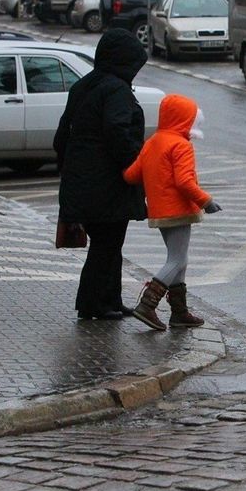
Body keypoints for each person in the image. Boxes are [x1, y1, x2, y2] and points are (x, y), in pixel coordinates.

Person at [54, 28, 148, 321]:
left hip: (82, 181)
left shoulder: (83, 86)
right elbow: (118, 133)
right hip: (107, 184)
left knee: (109, 244)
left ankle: (111, 300)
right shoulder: (116, 90)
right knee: (107, 245)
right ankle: (93, 304)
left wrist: (71, 168)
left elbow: (61, 137)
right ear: (124, 61)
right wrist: (135, 166)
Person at [122, 94, 222, 331]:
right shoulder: (181, 145)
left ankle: (179, 312)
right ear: (185, 120)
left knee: (179, 259)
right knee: (177, 260)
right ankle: (148, 305)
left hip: (159, 210)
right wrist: (207, 201)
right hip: (178, 210)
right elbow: (184, 182)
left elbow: (131, 175)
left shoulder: (153, 141)